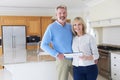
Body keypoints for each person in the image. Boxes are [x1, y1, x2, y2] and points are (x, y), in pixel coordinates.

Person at [41, 5, 73, 80]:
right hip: (62, 60)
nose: (62, 15)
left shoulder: (70, 26)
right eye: (60, 13)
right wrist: (56, 54)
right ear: (56, 15)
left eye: (64, 13)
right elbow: (43, 45)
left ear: (67, 14)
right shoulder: (51, 27)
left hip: (74, 59)